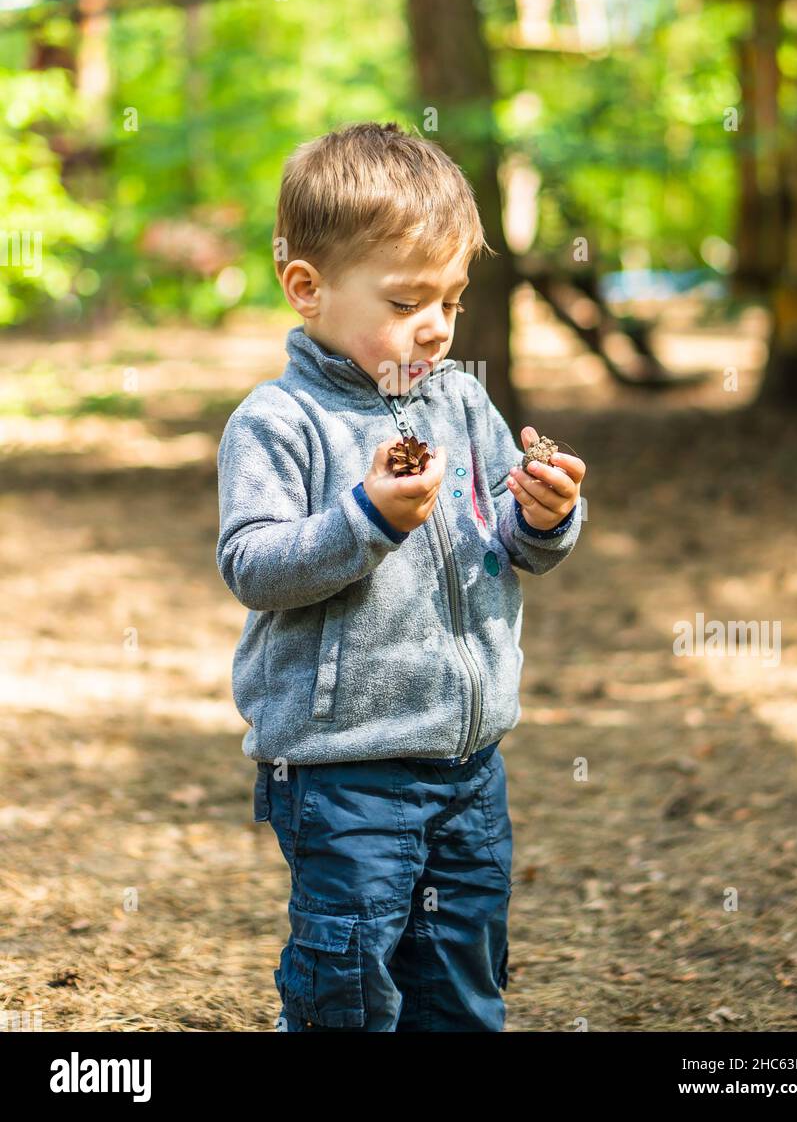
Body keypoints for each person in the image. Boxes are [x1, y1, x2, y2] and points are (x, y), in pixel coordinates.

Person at [216, 121, 586, 1031]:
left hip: (468, 763)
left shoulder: (461, 400)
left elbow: (505, 543)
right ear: (307, 288)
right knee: (350, 976)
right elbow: (252, 565)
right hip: (346, 770)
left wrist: (544, 515)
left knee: (462, 970)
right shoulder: (278, 422)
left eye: (452, 302)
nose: (436, 327)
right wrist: (363, 521)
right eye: (406, 301)